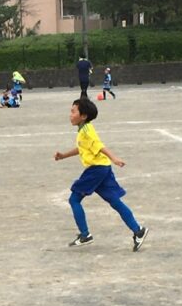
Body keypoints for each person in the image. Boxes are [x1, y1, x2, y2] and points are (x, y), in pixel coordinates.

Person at [54, 97, 149, 252]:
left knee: (74, 199)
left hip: (96, 170)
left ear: (83, 116)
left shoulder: (86, 131)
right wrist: (63, 156)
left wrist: (114, 158)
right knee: (114, 201)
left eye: (73, 112)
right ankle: (138, 231)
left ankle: (85, 235)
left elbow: (99, 146)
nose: (70, 115)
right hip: (103, 168)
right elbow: (82, 148)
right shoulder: (84, 129)